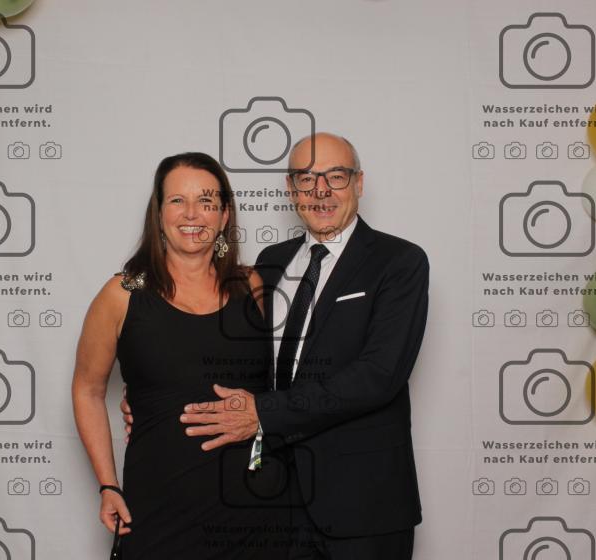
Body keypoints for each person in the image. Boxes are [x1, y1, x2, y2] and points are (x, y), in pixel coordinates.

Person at [154, 132, 431, 559]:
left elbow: (378, 375)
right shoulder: (271, 262)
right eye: (306, 178)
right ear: (290, 189)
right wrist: (156, 398)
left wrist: (264, 412)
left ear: (359, 183)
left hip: (364, 505)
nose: (320, 191)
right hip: (273, 498)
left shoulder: (399, 262)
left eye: (336, 176)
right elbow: (239, 358)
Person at [72, 152, 289, 558]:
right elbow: (87, 389)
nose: (192, 214)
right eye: (177, 200)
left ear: (224, 216)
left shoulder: (251, 285)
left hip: (255, 510)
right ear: (158, 214)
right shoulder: (122, 294)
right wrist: (108, 484)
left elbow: (279, 385)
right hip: (160, 508)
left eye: (206, 201)